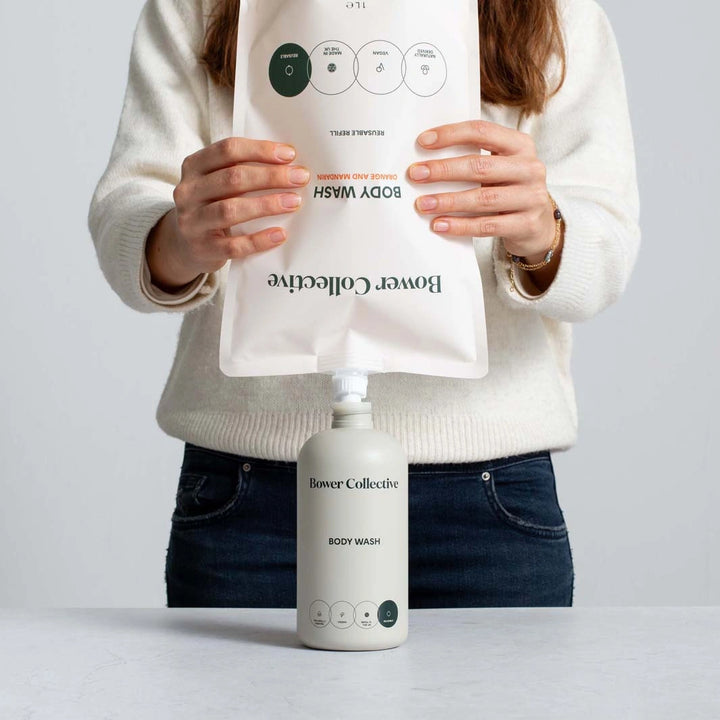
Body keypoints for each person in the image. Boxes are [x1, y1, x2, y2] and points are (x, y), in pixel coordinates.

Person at [88, 0, 640, 608]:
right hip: (253, 497)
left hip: (486, 501)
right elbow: (129, 206)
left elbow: (607, 251)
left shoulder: (555, 11)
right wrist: (177, 237)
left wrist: (544, 230)